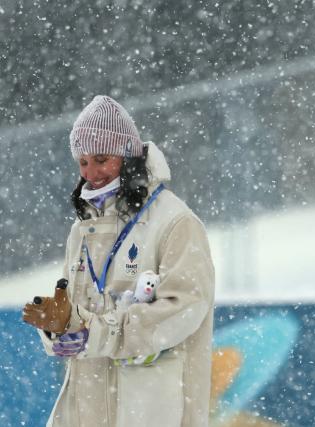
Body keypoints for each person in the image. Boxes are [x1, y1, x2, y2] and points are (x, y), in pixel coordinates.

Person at [22, 95, 216, 427]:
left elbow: (185, 307)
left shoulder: (174, 221)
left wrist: (98, 334)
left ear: (128, 157)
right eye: (82, 162)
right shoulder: (81, 230)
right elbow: (78, 316)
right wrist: (60, 328)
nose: (91, 173)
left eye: (101, 159)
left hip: (151, 412)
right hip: (86, 410)